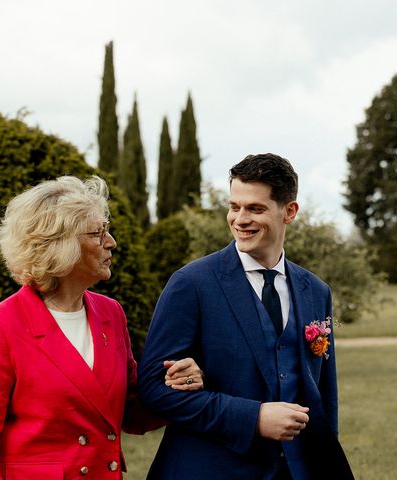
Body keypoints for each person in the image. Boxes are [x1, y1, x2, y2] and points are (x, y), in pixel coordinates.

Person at [0, 175, 204, 479]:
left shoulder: (111, 314)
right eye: (97, 234)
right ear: (58, 246)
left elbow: (131, 412)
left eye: (106, 231)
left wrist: (177, 386)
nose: (111, 242)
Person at [138, 153, 354, 479]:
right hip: (212, 468)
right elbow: (153, 388)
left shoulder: (316, 291)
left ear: (289, 212)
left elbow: (324, 391)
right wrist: (252, 417)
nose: (240, 219)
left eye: (255, 209)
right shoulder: (191, 284)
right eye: (234, 206)